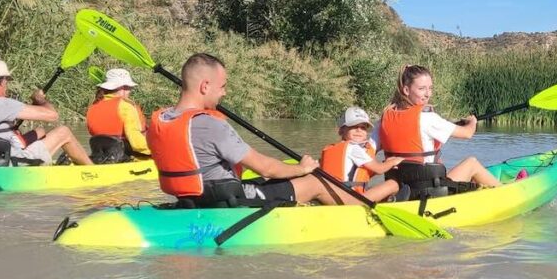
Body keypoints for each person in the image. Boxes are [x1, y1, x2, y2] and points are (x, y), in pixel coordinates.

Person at [146, 53, 399, 208]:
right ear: (204, 86)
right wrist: (302, 169)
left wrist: (288, 174)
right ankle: (362, 205)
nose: (224, 92)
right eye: (222, 86)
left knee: (278, 180)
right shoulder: (210, 124)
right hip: (223, 200)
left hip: (191, 196)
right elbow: (264, 167)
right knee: (316, 181)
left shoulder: (161, 119)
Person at [374, 64, 501, 200]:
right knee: (472, 163)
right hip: (430, 192)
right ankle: (505, 192)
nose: (428, 94)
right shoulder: (428, 118)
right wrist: (472, 122)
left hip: (401, 191)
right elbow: (467, 133)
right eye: (422, 89)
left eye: (430, 88)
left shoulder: (384, 120)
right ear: (406, 90)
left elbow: (369, 151)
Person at [0, 59, 92, 166]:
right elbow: (52, 116)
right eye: (6, 82)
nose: (6, 87)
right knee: (63, 132)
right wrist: (40, 100)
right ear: (2, 82)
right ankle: (94, 171)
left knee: (40, 131)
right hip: (7, 162)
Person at [320, 107, 406, 195]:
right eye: (353, 126)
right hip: (348, 197)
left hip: (334, 193)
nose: (359, 130)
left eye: (363, 127)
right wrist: (394, 161)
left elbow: (366, 172)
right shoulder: (353, 148)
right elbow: (379, 169)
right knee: (393, 185)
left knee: (371, 187)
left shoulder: (337, 148)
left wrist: (386, 164)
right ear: (341, 131)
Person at [85, 68, 151, 163]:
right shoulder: (126, 107)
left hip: (99, 156)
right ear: (122, 88)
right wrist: (158, 151)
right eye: (129, 88)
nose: (130, 91)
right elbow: (137, 143)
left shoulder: (93, 106)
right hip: (124, 157)